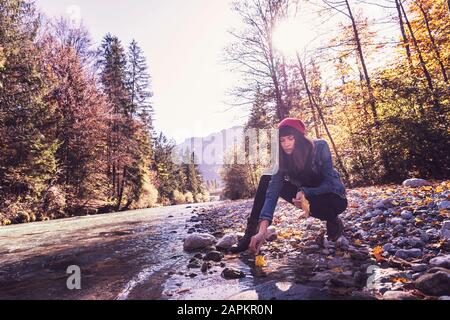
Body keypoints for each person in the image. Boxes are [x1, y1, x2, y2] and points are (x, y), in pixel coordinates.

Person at [229, 118, 348, 254]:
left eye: (290, 138)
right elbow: (271, 194)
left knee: (329, 206)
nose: (286, 144)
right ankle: (251, 233)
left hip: (334, 198)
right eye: (282, 140)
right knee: (266, 179)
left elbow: (330, 184)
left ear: (299, 138)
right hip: (307, 199)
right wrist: (263, 231)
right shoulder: (282, 159)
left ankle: (333, 220)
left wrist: (305, 191)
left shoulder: (320, 146)